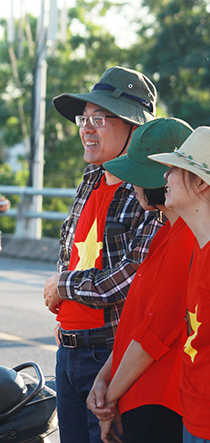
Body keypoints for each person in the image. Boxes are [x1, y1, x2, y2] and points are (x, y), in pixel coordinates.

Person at [42, 66, 163, 443]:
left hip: (113, 354)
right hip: (67, 351)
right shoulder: (90, 178)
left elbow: (131, 278)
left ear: (134, 127)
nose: (86, 128)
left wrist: (63, 285)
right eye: (84, 118)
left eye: (101, 118)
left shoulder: (151, 190)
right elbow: (72, 252)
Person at [85, 118, 194, 443]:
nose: (132, 186)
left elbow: (154, 334)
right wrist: (104, 381)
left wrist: (109, 396)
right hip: (136, 395)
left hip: (158, 403)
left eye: (136, 177)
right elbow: (136, 323)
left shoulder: (188, 239)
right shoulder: (165, 233)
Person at [149, 127, 210, 443]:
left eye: (175, 168)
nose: (166, 176)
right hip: (193, 417)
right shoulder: (200, 248)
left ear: (200, 182)